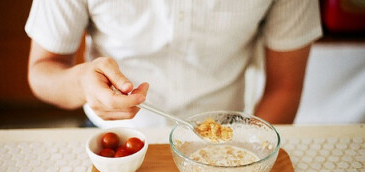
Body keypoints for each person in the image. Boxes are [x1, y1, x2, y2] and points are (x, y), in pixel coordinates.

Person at [25, 0, 322, 128]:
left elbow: (285, 87)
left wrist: (246, 150)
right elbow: (42, 70)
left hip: (225, 134)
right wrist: (80, 84)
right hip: (110, 136)